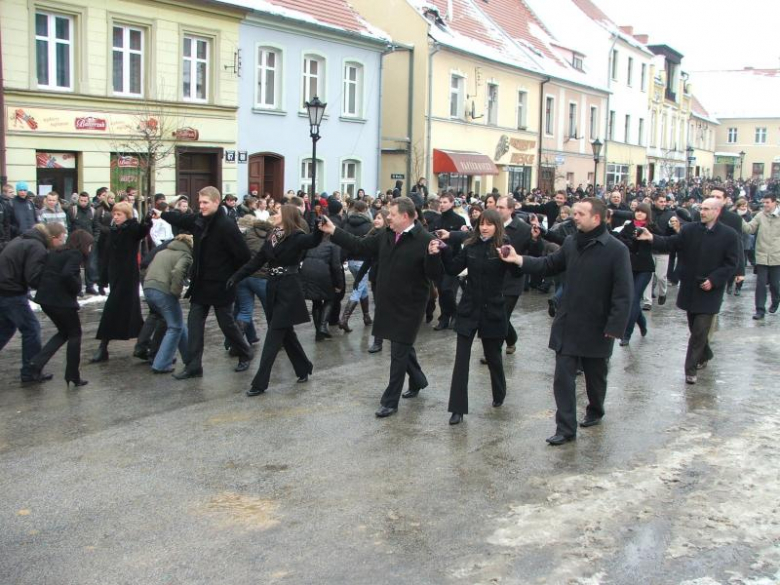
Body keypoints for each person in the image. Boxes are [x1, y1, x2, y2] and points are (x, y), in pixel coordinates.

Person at [507, 198, 633, 445]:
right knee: (562, 378)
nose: (574, 217)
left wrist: (615, 327)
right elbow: (548, 264)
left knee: (595, 378)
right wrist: (518, 260)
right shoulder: (571, 243)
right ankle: (566, 428)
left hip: (598, 326)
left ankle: (595, 410)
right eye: (574, 213)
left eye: (580, 214)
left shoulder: (617, 250)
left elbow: (623, 293)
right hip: (568, 323)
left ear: (596, 218)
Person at [320, 197, 443, 418]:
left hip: (410, 306)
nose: (388, 218)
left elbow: (435, 275)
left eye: (392, 215)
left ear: (405, 216)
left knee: (398, 352)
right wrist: (333, 230)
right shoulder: (386, 235)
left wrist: (434, 256)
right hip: (388, 301)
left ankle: (390, 402)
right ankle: (418, 380)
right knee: (401, 347)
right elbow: (359, 245)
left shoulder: (425, 239)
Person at [432, 209, 522, 425]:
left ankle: (499, 393)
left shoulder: (503, 246)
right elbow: (453, 269)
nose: (484, 227)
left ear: (497, 226)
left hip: (492, 310)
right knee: (461, 360)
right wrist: (444, 250)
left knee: (493, 357)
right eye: (482, 223)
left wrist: (513, 259)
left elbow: (518, 274)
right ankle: (457, 409)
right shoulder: (471, 245)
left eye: (489, 224)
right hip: (469, 308)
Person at [637, 198, 739, 384]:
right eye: (701, 208)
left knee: (700, 331)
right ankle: (705, 353)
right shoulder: (690, 229)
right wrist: (652, 238)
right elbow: (671, 243)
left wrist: (714, 280)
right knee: (695, 328)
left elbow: (731, 263)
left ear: (717, 211)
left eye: (707, 209)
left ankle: (690, 370)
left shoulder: (729, 235)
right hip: (691, 287)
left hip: (710, 290)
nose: (702, 212)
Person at [160, 186, 254, 379]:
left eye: (205, 202)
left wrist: (232, 276)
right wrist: (163, 212)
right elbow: (179, 219)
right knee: (194, 323)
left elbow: (244, 255)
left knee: (226, 324)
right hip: (201, 282)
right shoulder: (199, 219)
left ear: (216, 202)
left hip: (222, 283)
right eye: (200, 202)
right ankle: (194, 366)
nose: (201, 206)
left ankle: (245, 352)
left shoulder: (226, 225)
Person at [228, 205, 323, 396]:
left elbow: (312, 241)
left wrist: (318, 228)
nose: (273, 215)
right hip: (273, 287)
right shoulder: (273, 235)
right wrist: (236, 277)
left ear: (286, 216)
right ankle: (304, 367)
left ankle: (260, 383)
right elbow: (257, 261)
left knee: (273, 335)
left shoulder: (297, 236)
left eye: (277, 213)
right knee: (286, 333)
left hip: (289, 289)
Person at [29, 229, 94, 386]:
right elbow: (67, 274)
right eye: (89, 245)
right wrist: (77, 288)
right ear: (83, 244)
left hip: (46, 299)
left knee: (64, 333)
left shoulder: (56, 251)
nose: (90, 249)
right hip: (61, 301)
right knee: (75, 334)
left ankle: (37, 362)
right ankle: (72, 374)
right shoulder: (75, 254)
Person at [0, 223, 63, 382]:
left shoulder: (25, 239)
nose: (62, 243)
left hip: (5, 288)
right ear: (53, 238)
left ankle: (30, 370)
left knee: (6, 328)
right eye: (61, 239)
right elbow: (33, 277)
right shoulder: (37, 247)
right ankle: (31, 371)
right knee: (31, 329)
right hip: (10, 291)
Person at [91, 202, 152, 362]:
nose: (115, 217)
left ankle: (106, 347)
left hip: (128, 277)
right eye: (115, 214)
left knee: (119, 311)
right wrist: (102, 280)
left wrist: (147, 222)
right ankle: (144, 346)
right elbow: (106, 257)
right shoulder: (113, 231)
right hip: (114, 276)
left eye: (119, 214)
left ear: (127, 215)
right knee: (125, 312)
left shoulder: (131, 228)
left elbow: (141, 231)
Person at [142, 234, 194, 373]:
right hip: (164, 291)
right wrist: (176, 292)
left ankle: (190, 358)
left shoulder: (162, 252)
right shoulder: (185, 255)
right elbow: (178, 272)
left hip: (148, 288)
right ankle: (162, 363)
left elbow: (148, 269)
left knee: (178, 323)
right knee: (175, 327)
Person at [615, 203, 658, 346]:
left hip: (645, 268)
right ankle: (642, 322)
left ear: (647, 214)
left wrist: (647, 238)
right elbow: (620, 240)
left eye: (642, 212)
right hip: (630, 267)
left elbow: (660, 241)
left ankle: (626, 334)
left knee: (633, 300)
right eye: (637, 211)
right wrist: (630, 240)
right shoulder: (628, 227)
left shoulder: (651, 228)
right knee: (632, 299)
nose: (639, 214)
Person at [741, 193, 780, 320]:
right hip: (762, 256)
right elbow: (749, 229)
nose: (765, 205)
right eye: (764, 202)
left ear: (775, 202)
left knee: (775, 284)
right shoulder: (760, 215)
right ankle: (760, 310)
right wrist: (739, 219)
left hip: (777, 256)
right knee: (761, 284)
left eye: (768, 202)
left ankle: (775, 301)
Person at [301, 229, 344, 341]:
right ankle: (323, 326)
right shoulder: (333, 245)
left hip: (307, 270)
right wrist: (339, 284)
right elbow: (336, 266)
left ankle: (318, 333)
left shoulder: (312, 241)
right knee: (330, 298)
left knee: (316, 300)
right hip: (322, 272)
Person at [431, 193, 466, 331]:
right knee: (442, 291)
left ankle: (455, 314)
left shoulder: (459, 220)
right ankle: (445, 318)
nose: (442, 204)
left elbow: (462, 239)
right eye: (440, 202)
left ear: (452, 203)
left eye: (445, 202)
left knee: (448, 290)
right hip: (438, 260)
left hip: (454, 261)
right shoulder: (436, 219)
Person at [339, 200, 373, 332]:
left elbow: (344, 242)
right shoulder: (369, 225)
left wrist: (343, 258)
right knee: (358, 289)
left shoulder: (347, 224)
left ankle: (366, 316)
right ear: (365, 210)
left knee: (362, 287)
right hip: (363, 261)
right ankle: (344, 319)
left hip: (351, 261)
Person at [92, 190, 115, 295]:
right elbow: (96, 223)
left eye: (113, 198)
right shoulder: (101, 209)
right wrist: (106, 229)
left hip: (113, 237)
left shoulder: (115, 208)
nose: (112, 200)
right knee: (102, 262)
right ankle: (101, 284)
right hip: (103, 238)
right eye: (110, 198)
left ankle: (110, 283)